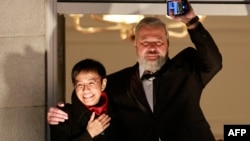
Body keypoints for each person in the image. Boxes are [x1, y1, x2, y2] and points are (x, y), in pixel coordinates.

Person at [47, 1, 222, 141]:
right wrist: (63, 113)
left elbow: (214, 62)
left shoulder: (187, 71)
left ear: (168, 44)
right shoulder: (115, 83)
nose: (152, 48)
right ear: (136, 45)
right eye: (145, 42)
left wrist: (191, 21)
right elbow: (89, 96)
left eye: (159, 42)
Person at [50, 59, 125, 141]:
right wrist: (89, 134)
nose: (85, 90)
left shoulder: (118, 111)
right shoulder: (63, 115)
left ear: (103, 84)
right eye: (80, 84)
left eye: (91, 83)